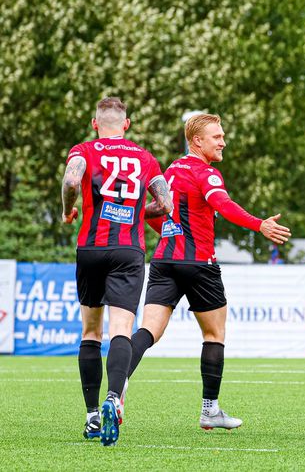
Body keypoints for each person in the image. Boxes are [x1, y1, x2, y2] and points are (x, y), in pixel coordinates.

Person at [125, 113, 291, 431]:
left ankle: (116, 391)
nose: (223, 141)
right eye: (217, 136)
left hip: (164, 261)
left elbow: (153, 213)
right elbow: (223, 205)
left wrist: (173, 232)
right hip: (199, 264)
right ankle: (209, 410)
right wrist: (260, 224)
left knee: (148, 332)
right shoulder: (206, 173)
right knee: (214, 335)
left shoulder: (171, 171)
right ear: (197, 141)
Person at [61, 97, 173, 446]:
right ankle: (114, 398)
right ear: (126, 124)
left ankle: (93, 416)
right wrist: (137, 211)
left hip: (91, 248)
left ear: (95, 123)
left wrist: (69, 210)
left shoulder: (84, 149)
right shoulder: (144, 158)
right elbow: (166, 205)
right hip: (128, 250)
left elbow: (70, 182)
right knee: (121, 329)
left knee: (91, 332)